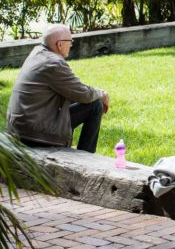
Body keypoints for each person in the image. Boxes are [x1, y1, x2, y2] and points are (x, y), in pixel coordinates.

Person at [6, 24, 109, 153]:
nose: (71, 44)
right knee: (96, 104)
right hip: (35, 134)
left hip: (20, 129)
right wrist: (102, 94)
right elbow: (83, 94)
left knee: (91, 100)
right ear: (59, 44)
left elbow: (71, 91)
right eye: (70, 41)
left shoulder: (36, 54)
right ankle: (87, 156)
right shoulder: (53, 64)